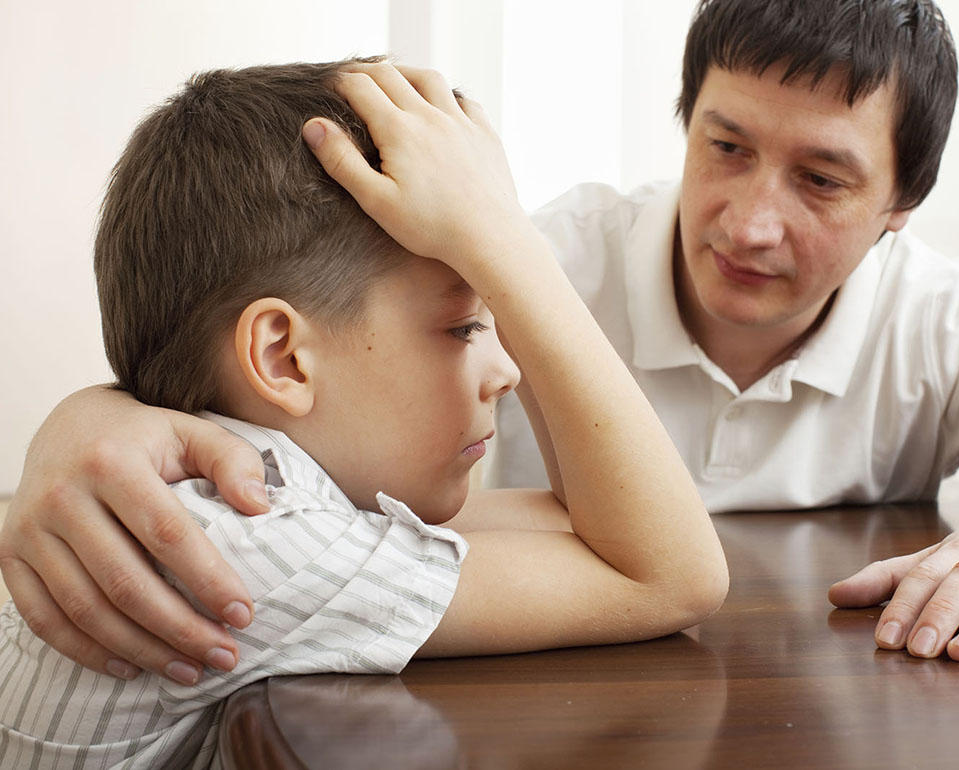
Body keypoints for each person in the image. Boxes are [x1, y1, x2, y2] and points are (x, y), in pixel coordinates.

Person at [2, 0, 959, 674]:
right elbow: (233, 362)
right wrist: (94, 414)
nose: (751, 222)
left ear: (904, 202)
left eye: (822, 179)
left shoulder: (954, 319)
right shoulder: (509, 263)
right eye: (725, 145)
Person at [0, 60, 726, 767]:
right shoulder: (250, 543)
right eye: (465, 327)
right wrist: (508, 248)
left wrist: (493, 233)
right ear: (284, 358)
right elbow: (671, 577)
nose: (506, 372)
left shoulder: (267, 488)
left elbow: (594, 531)